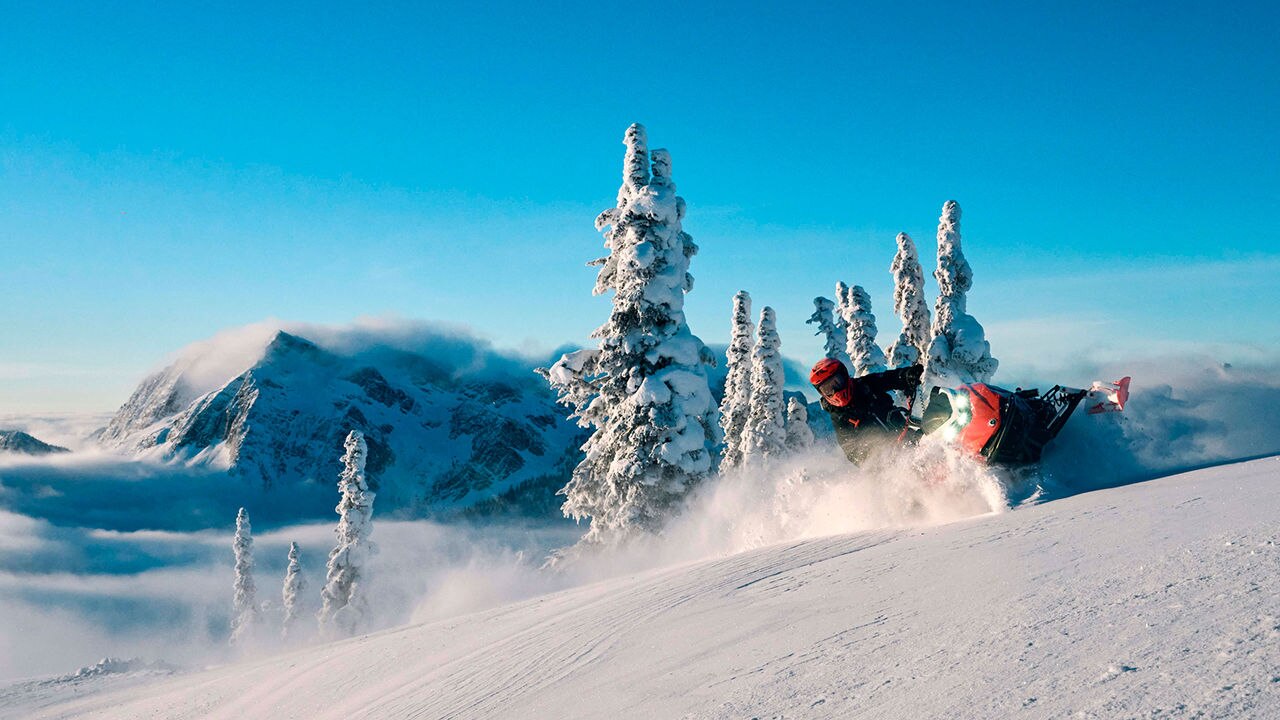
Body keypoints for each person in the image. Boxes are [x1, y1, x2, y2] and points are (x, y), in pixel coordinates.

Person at [809, 358, 924, 464]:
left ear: (844, 376)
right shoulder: (839, 417)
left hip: (909, 438)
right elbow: (851, 450)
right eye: (828, 389)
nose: (835, 391)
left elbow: (888, 378)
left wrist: (907, 375)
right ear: (823, 393)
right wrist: (876, 456)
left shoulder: (866, 385)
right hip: (887, 463)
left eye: (837, 383)